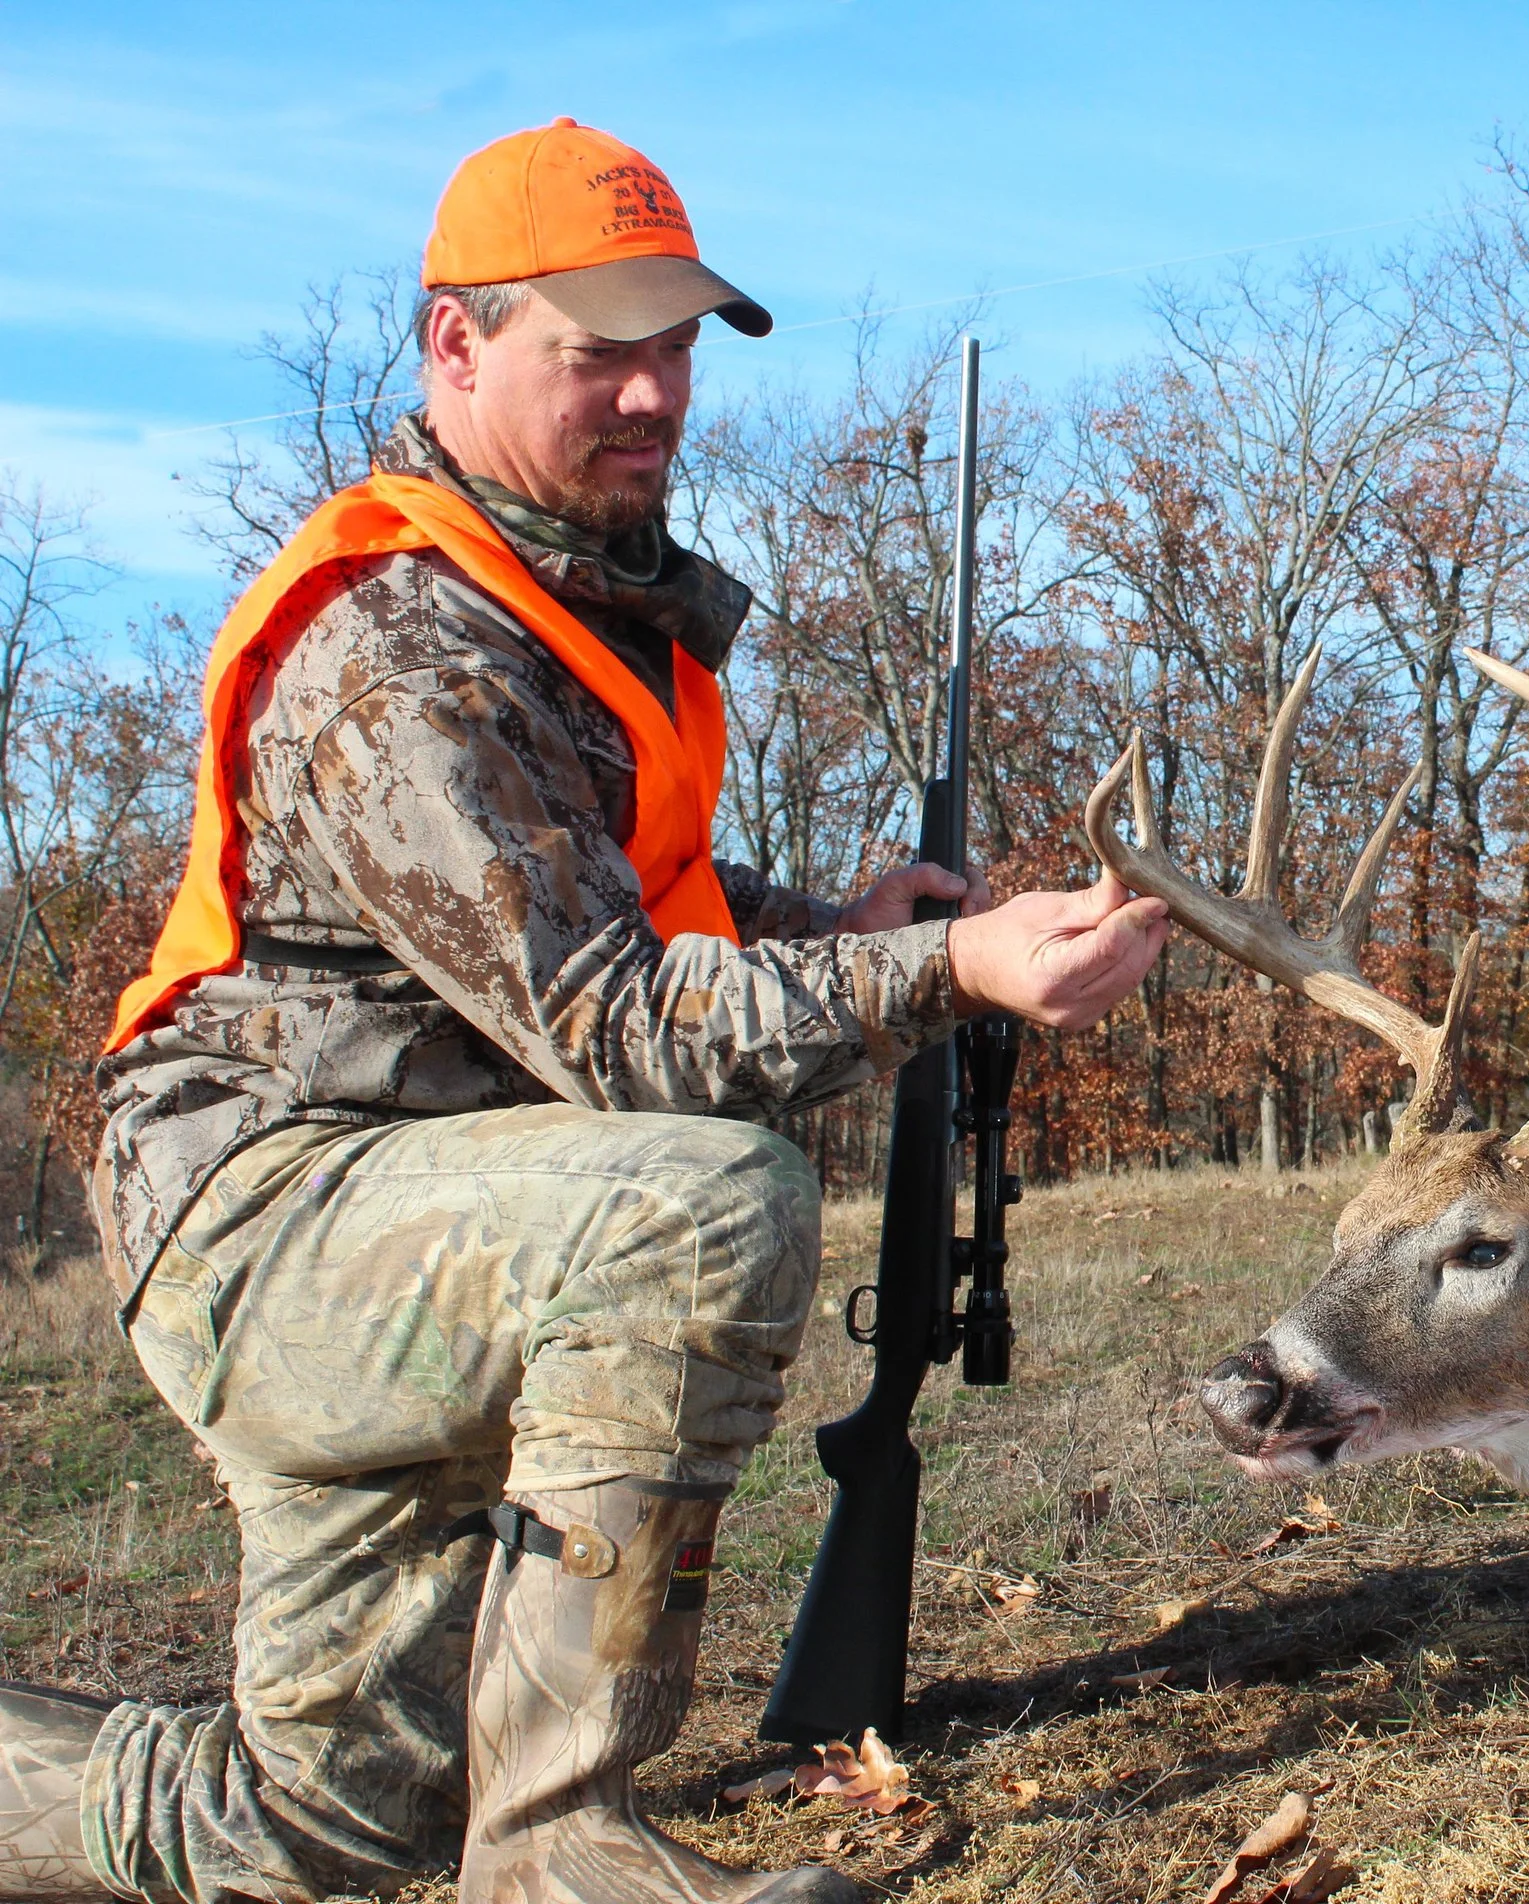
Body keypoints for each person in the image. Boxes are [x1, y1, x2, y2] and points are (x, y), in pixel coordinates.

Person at [0, 120, 1167, 1904]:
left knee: (325, 1820)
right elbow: (614, 1021)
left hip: (439, 1219)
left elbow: (598, 906)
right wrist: (950, 968)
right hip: (273, 1229)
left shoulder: (579, 615)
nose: (651, 395)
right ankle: (561, 1859)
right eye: (596, 347)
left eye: (678, 345)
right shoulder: (396, 649)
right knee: (703, 1194)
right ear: (455, 346)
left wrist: (840, 923)